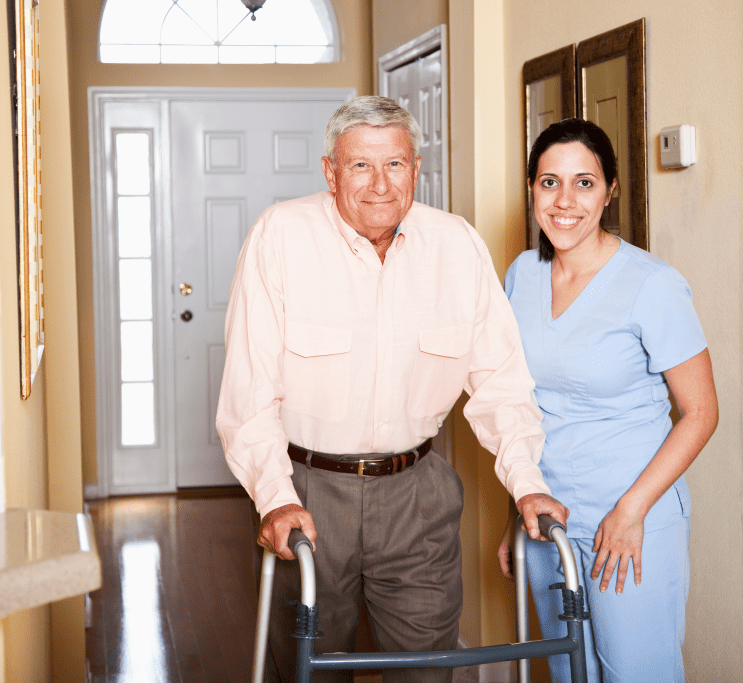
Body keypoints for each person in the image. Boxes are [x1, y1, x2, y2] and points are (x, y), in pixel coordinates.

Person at [216, 96, 568, 683]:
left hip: (417, 497)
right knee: (304, 668)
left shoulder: (456, 246)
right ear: (330, 171)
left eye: (395, 165)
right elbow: (248, 394)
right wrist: (275, 496)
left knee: (428, 669)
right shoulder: (280, 236)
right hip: (306, 491)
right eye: (360, 166)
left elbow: (501, 386)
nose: (380, 185)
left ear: (417, 168)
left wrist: (528, 485)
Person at [498, 118, 719, 683]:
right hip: (548, 519)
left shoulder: (652, 284)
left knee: (636, 674)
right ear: (531, 188)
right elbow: (520, 402)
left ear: (610, 189)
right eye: (549, 182)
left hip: (630, 517)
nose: (565, 201)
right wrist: (519, 504)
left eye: (584, 182)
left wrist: (632, 510)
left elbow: (701, 412)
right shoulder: (521, 275)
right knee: (571, 672)